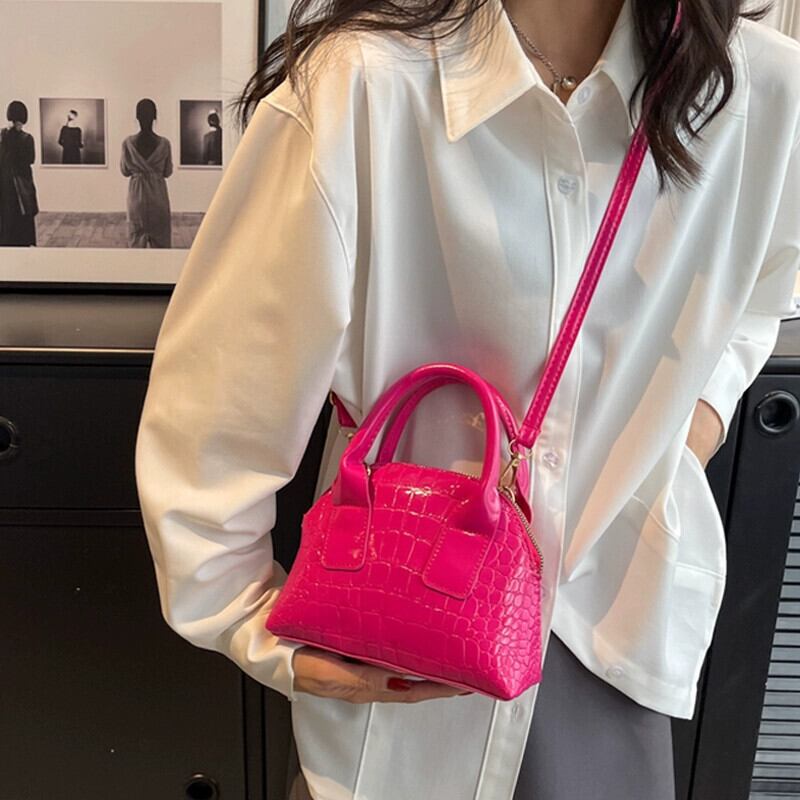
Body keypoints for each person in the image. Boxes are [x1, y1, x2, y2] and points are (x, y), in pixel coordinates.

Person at [134, 0, 800, 798]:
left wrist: (696, 423)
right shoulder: (360, 88)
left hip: (613, 613)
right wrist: (247, 618)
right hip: (401, 633)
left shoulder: (761, 90)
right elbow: (218, 406)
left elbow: (767, 285)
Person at [120, 98, 172, 248]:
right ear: (155, 117)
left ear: (137, 117)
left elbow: (124, 171)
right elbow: (167, 172)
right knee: (161, 245)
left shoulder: (128, 143)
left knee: (136, 242)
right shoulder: (164, 144)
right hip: (158, 197)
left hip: (136, 197)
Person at [0, 100, 38, 247]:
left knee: (6, 218)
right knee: (23, 216)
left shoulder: (2, 136)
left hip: (5, 183)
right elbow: (30, 159)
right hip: (21, 184)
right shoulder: (27, 138)